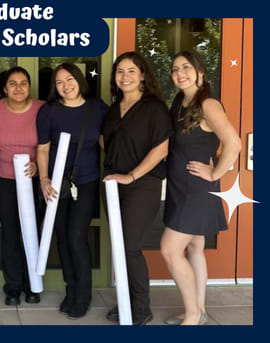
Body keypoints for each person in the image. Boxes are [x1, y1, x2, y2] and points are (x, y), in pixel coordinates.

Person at [161, 50, 241, 325]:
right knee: (195, 247)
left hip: (195, 190)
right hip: (178, 187)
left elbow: (234, 143)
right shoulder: (181, 102)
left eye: (186, 67)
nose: (179, 73)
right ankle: (199, 309)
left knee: (171, 251)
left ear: (200, 72)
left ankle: (193, 315)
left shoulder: (208, 103)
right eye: (174, 69)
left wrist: (215, 172)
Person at [102, 51, 173, 325]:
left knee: (130, 246)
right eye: (120, 71)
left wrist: (131, 175)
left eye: (131, 70)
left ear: (143, 75)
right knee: (120, 247)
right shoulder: (113, 108)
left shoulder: (154, 107)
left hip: (141, 185)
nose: (125, 76)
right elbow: (104, 141)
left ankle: (141, 308)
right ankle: (126, 301)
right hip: (112, 184)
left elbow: (161, 148)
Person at [37, 63, 109, 318]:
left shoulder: (97, 108)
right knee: (62, 237)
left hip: (86, 181)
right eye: (59, 82)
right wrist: (44, 179)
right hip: (57, 184)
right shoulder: (49, 112)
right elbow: (43, 149)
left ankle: (84, 293)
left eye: (69, 79)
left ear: (79, 80)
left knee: (77, 235)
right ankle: (71, 288)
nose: (65, 86)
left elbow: (106, 144)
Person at [0, 67, 45, 306]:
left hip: (33, 179)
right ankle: (12, 287)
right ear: (5, 88)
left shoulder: (42, 109)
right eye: (13, 83)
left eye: (23, 83)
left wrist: (39, 166)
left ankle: (32, 284)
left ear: (29, 86)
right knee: (10, 233)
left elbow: (50, 143)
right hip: (3, 178)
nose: (19, 88)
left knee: (32, 233)